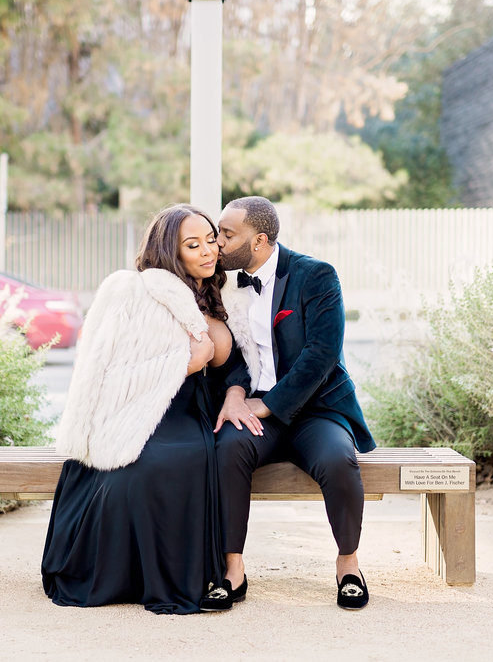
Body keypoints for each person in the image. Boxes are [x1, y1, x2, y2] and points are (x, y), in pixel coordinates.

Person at [41, 204, 234, 615]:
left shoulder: (218, 291)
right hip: (138, 405)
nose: (208, 250)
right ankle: (127, 575)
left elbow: (227, 356)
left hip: (188, 409)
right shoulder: (137, 291)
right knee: (136, 471)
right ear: (171, 251)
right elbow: (107, 369)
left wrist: (203, 335)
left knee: (184, 459)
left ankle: (186, 575)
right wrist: (184, 361)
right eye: (193, 244)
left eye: (211, 239)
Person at [200, 195, 376, 611]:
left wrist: (271, 404)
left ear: (259, 240)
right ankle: (233, 571)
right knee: (227, 449)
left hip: (316, 410)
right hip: (256, 409)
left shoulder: (315, 275)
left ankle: (348, 565)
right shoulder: (224, 284)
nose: (217, 243)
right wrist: (239, 393)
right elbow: (234, 354)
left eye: (226, 234)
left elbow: (321, 354)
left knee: (338, 459)